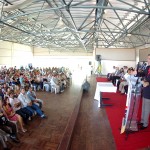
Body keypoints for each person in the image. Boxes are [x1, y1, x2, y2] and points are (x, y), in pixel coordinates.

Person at [138, 54, 150, 129]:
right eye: (148, 58)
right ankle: (142, 121)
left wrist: (148, 83)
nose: (149, 60)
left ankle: (145, 124)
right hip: (145, 89)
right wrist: (137, 73)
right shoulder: (148, 67)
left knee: (147, 107)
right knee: (143, 106)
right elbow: (144, 74)